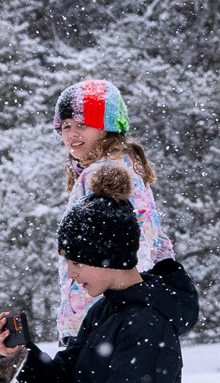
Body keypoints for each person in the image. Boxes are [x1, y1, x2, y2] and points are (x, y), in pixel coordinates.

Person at [0, 163, 197, 383]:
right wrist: (23, 355)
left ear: (109, 256)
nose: (71, 274)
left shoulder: (146, 327)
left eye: (76, 262)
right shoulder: (106, 311)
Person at [51, 78, 174, 341]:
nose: (72, 134)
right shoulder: (127, 169)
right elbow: (156, 242)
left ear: (107, 127)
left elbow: (101, 256)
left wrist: (77, 324)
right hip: (123, 313)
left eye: (82, 124)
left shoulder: (102, 176)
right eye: (65, 126)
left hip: (100, 315)